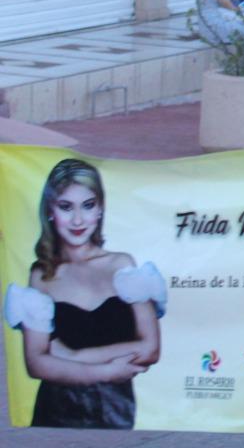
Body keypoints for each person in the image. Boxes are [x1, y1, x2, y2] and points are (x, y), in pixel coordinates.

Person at [3, 158, 165, 429]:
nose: (78, 219)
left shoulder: (123, 266)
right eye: (66, 207)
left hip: (115, 410)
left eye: (88, 205)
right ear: (51, 211)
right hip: (55, 412)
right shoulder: (42, 275)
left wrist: (71, 356)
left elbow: (150, 349)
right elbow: (36, 364)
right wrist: (106, 371)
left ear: (100, 209)